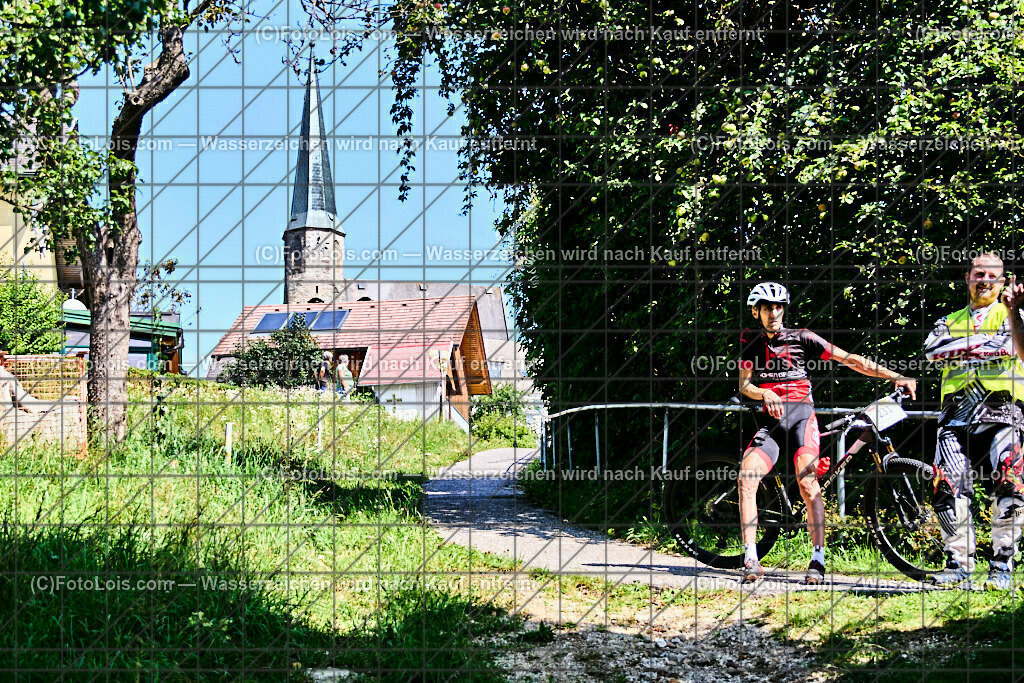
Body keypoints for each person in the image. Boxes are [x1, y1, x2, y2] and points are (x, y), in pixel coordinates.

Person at [738, 282, 917, 584]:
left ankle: (817, 560)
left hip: (801, 417)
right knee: (747, 477)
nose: (774, 312)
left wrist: (895, 375)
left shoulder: (803, 338)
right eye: (768, 307)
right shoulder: (749, 340)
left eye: (779, 306)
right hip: (771, 422)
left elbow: (850, 359)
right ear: (756, 311)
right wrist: (762, 394)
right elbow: (744, 385)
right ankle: (751, 559)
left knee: (808, 484)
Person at [925, 252, 1024, 590]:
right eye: (978, 273)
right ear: (967, 277)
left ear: (1001, 281)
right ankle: (958, 565)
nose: (984, 279)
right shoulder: (948, 319)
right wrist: (989, 344)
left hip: (1003, 410)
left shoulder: (1013, 313)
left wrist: (964, 346)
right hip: (954, 415)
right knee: (947, 488)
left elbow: (1015, 347)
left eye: (992, 275)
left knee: (1010, 483)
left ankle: (1002, 566)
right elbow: (932, 351)